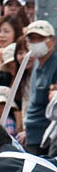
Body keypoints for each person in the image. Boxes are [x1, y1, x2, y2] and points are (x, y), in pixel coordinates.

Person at [22, 21, 57, 156]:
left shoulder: (54, 64)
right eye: (32, 39)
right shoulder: (36, 63)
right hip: (32, 133)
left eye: (40, 39)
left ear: (52, 41)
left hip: (47, 137)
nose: (36, 42)